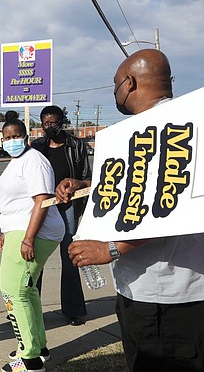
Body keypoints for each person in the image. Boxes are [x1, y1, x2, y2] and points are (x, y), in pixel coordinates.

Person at [60, 49, 204, 371]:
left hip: (170, 298)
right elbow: (136, 187)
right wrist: (84, 184)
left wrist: (111, 248)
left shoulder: (186, 126)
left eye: (115, 85)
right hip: (137, 290)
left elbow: (172, 205)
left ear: (129, 82)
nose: (115, 93)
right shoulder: (135, 133)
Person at [0, 111, 64, 372]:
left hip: (33, 231)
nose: (10, 140)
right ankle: (37, 345)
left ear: (26, 138)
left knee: (13, 291)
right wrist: (6, 231)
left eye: (15, 136)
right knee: (28, 290)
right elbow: (14, 203)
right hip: (18, 229)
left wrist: (28, 239)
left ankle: (29, 360)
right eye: (6, 137)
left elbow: (41, 201)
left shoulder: (34, 160)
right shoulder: (17, 160)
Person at [31, 105, 92, 326]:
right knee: (36, 259)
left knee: (70, 256)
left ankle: (74, 310)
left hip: (67, 207)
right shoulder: (37, 146)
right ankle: (32, 310)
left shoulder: (76, 145)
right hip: (43, 207)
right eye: (45, 123)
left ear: (62, 122)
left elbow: (88, 178)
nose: (49, 127)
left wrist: (75, 186)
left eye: (53, 123)